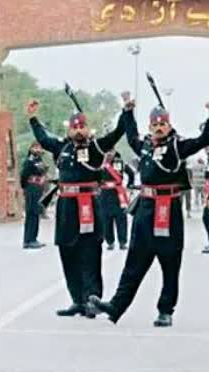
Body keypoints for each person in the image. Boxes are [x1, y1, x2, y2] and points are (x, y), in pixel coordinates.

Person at [92, 102, 209, 327]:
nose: (158, 127)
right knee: (134, 261)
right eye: (154, 124)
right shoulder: (144, 146)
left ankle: (165, 310)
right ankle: (116, 306)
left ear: (169, 125)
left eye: (162, 124)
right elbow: (131, 135)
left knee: (170, 262)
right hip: (145, 209)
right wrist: (127, 113)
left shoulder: (178, 147)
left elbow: (204, 139)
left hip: (169, 207)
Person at [28, 98, 126, 318]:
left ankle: (92, 298)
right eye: (75, 127)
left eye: (82, 127)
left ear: (87, 128)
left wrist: (126, 112)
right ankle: (77, 300)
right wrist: (33, 118)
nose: (78, 131)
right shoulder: (61, 147)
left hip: (89, 204)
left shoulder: (96, 147)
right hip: (66, 207)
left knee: (90, 252)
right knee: (68, 252)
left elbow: (118, 133)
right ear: (70, 130)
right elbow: (43, 139)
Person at [100, 150, 134, 251]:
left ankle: (122, 242)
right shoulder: (100, 163)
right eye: (107, 152)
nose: (109, 154)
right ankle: (110, 242)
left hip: (118, 194)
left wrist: (129, 185)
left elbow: (131, 173)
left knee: (121, 218)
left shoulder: (119, 162)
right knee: (106, 219)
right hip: (104, 194)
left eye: (111, 151)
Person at [20, 141, 47, 250]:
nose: (38, 150)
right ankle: (28, 240)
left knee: (36, 213)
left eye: (39, 147)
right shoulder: (30, 161)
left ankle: (34, 238)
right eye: (35, 147)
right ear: (31, 149)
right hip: (31, 188)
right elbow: (24, 175)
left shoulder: (39, 160)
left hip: (38, 189)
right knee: (31, 213)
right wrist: (25, 187)